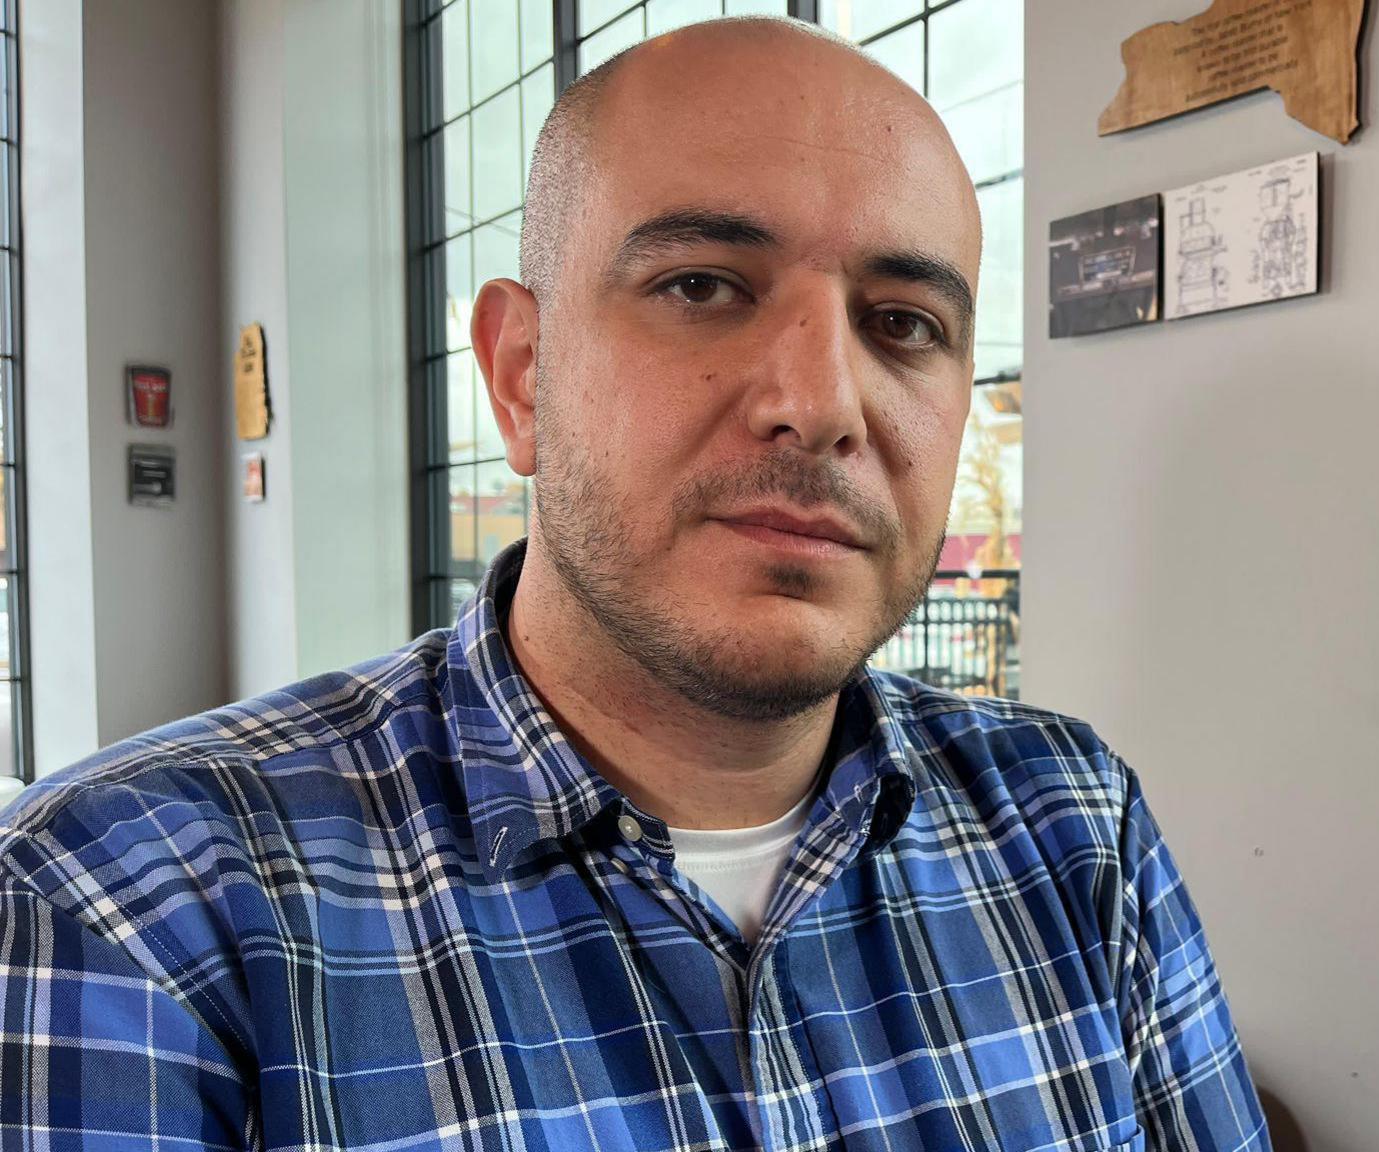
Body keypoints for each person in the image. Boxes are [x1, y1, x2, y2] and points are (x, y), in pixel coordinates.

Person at [0, 18, 1268, 1152]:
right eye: (702, 287)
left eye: (901, 323)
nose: (822, 404)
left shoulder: (1072, 827)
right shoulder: (129, 913)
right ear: (519, 372)